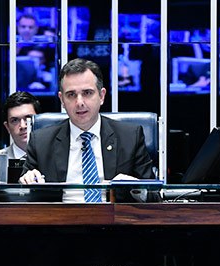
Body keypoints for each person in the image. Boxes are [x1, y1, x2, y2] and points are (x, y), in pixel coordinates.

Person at [19, 58, 154, 203]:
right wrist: (27, 180)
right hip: (60, 222)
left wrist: (136, 187)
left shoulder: (130, 137)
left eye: (87, 93)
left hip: (113, 222)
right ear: (62, 100)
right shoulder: (41, 142)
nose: (80, 102)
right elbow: (23, 196)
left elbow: (154, 197)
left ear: (101, 96)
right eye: (71, 95)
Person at [0, 91, 42, 169]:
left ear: (39, 121)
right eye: (15, 120)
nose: (23, 126)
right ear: (7, 127)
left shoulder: (56, 159)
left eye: (28, 118)